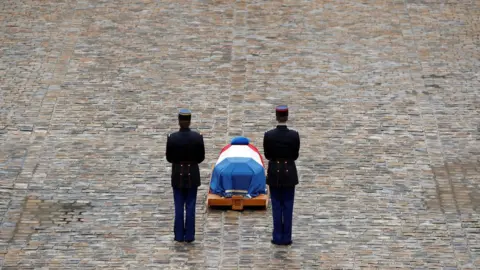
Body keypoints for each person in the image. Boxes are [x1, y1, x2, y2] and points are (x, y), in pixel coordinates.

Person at [166, 109, 205, 243]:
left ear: (179, 121)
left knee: (178, 205)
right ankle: (189, 235)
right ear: (189, 121)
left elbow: (169, 158)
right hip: (192, 174)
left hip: (177, 173)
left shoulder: (172, 137)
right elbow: (201, 158)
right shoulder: (197, 137)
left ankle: (178, 235)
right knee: (190, 205)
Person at [263, 105, 300, 245]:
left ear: (277, 117)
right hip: (289, 171)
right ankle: (287, 236)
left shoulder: (269, 135)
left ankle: (277, 236)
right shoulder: (294, 135)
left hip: (275, 172)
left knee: (277, 204)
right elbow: (295, 155)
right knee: (288, 205)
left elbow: (267, 155)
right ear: (287, 117)